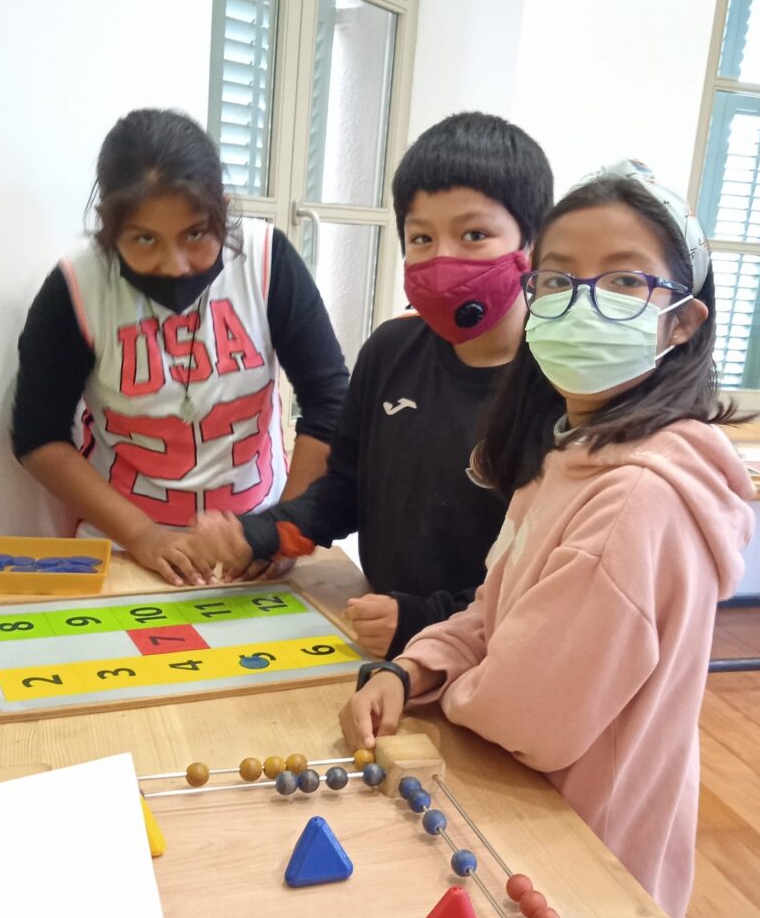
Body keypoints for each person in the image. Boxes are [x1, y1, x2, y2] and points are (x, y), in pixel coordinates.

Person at [338, 160, 756, 918]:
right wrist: (414, 668)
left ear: (683, 321)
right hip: (528, 818)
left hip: (578, 859)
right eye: (559, 280)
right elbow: (493, 612)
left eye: (623, 281)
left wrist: (452, 680)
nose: (583, 303)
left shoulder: (634, 499)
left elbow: (526, 718)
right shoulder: (571, 451)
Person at [192, 113, 554, 658]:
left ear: (532, 242)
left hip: (487, 654)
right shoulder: (390, 351)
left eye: (474, 235)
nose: (443, 258)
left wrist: (425, 620)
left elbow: (543, 580)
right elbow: (344, 491)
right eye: (421, 237)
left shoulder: (557, 386)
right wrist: (261, 534)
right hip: (382, 634)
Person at [10, 108, 348, 586]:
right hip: (123, 546)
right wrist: (142, 534)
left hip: (259, 540)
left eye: (195, 234)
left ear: (222, 212)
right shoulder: (77, 285)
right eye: (144, 239)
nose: (175, 265)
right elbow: (38, 438)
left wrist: (281, 531)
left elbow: (329, 403)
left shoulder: (269, 261)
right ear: (109, 227)